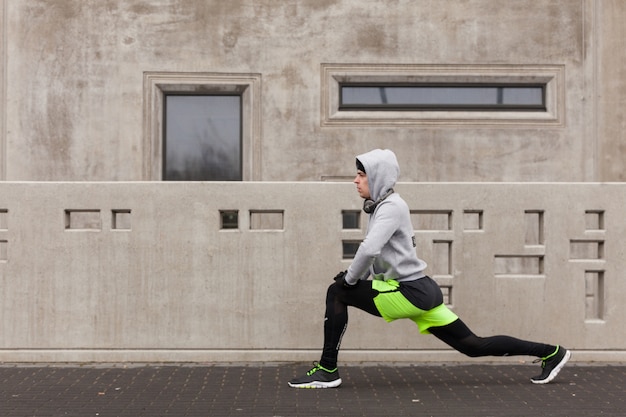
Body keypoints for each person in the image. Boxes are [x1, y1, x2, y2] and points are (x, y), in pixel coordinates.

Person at [288, 148, 570, 389]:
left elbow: (369, 249)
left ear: (377, 177)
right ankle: (551, 353)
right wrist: (354, 278)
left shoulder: (390, 208)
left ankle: (327, 369)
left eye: (361, 175)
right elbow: (373, 255)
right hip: (421, 289)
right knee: (473, 345)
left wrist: (349, 281)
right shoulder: (383, 206)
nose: (355, 180)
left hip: (409, 291)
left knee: (337, 292)